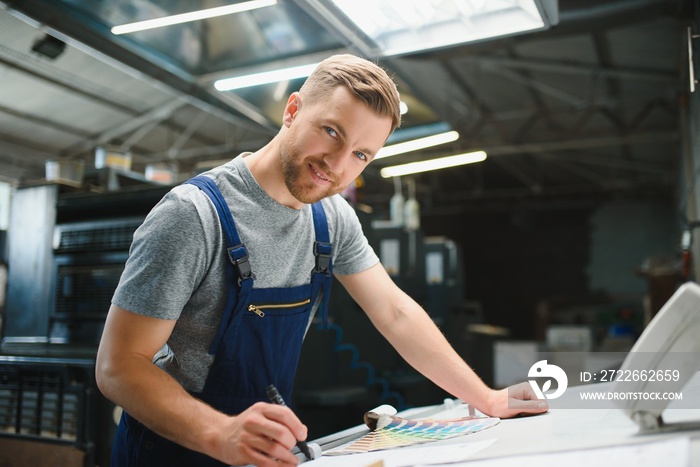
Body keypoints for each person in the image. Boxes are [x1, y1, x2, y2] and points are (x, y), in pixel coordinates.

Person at [95, 53, 548, 467]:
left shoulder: (332, 219)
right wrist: (219, 433)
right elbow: (119, 366)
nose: (337, 163)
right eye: (332, 131)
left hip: (261, 449)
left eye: (361, 154)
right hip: (171, 451)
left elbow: (394, 312)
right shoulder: (193, 216)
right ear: (292, 111)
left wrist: (486, 399)